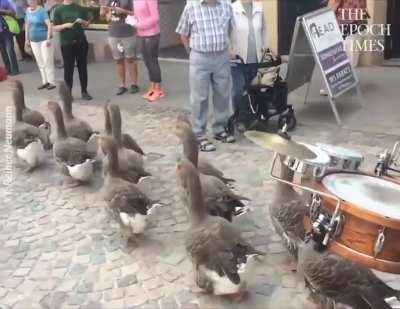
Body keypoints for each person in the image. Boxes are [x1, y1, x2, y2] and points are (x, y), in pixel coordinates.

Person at [176, 0, 235, 152]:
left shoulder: (226, 5)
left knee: (222, 94)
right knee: (199, 98)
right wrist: (192, 53)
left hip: (221, 56)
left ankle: (219, 129)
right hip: (200, 57)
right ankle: (198, 134)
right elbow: (183, 34)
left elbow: (229, 30)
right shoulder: (191, 6)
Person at [230, 0, 265, 131]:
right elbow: (226, 31)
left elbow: (263, 29)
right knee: (238, 91)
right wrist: (229, 50)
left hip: (255, 57)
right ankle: (239, 118)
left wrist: (262, 47)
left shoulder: (259, 7)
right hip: (237, 59)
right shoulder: (232, 8)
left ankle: (252, 118)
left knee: (253, 90)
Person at [52, 0, 92, 100]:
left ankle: (84, 91)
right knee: (68, 69)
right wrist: (65, 25)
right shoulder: (58, 9)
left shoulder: (79, 8)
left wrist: (82, 22)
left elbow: (87, 24)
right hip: (67, 43)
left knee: (82, 67)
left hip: (80, 41)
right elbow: (54, 27)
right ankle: (68, 93)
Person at [127, 0, 163, 102]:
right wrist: (132, 19)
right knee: (147, 62)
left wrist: (138, 24)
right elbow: (138, 15)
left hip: (152, 34)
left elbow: (155, 18)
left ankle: (158, 89)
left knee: (152, 61)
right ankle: (152, 87)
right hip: (141, 34)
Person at [100, 0, 139, 96]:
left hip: (128, 33)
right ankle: (122, 85)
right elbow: (102, 17)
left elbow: (137, 14)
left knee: (130, 59)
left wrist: (123, 11)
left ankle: (134, 84)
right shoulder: (108, 1)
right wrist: (103, 11)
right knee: (118, 60)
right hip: (113, 34)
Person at [328, 0, 368, 67]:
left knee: (346, 59)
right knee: (351, 59)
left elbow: (332, 8)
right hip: (356, 23)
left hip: (348, 24)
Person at [25, 0, 56, 89]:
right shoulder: (27, 11)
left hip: (44, 40)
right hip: (33, 40)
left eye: (33, 0)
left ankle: (52, 82)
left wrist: (48, 39)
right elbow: (27, 25)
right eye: (30, 0)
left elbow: (49, 25)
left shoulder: (42, 11)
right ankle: (45, 81)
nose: (31, 2)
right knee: (40, 61)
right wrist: (26, 39)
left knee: (47, 60)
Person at [0, 0, 19, 75]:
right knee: (3, 51)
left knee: (10, 49)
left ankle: (15, 69)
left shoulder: (4, 1)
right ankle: (7, 69)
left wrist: (2, 11)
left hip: (6, 29)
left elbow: (13, 12)